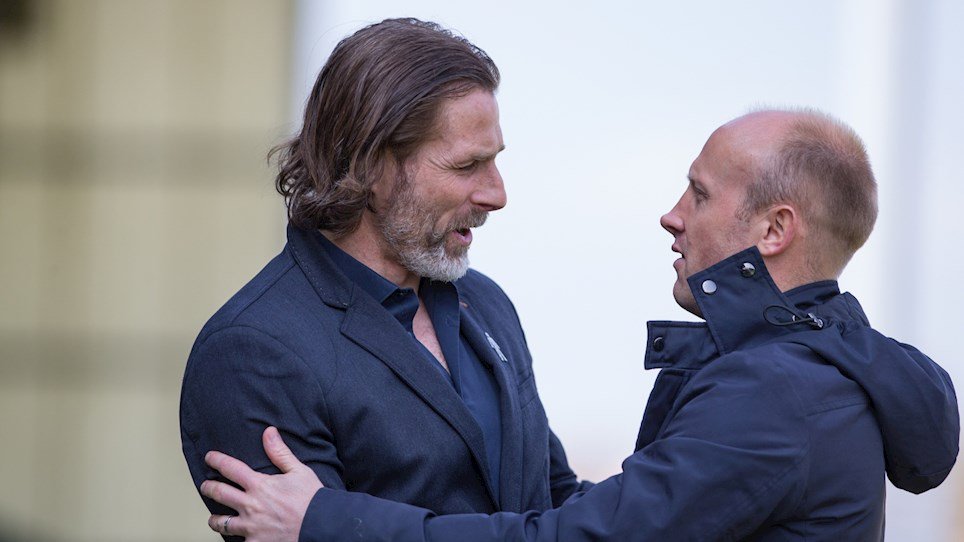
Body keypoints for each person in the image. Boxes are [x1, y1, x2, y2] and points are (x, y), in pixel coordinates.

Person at [198, 108, 959, 541]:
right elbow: (578, 506)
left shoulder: (776, 394)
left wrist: (324, 521)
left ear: (774, 230)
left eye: (698, 194)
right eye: (468, 165)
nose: (671, 215)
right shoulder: (810, 368)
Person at [179, 17, 589, 540]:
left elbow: (554, 502)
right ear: (371, 166)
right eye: (468, 166)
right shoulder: (252, 352)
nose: (497, 194)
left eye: (495, 162)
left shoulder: (486, 303)